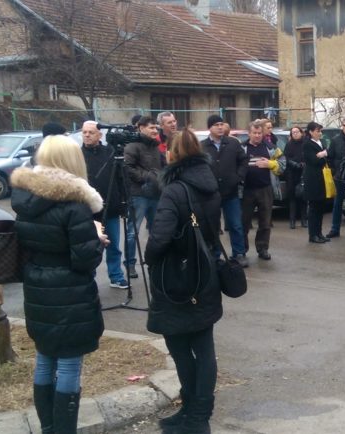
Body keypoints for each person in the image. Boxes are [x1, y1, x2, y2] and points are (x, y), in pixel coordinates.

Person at [11, 135, 107, 434]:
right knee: (67, 364)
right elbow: (84, 259)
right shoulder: (74, 205)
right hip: (70, 291)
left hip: (38, 289)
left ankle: (49, 428)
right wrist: (97, 238)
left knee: (44, 358)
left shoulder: (24, 200)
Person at [144, 130, 223, 433]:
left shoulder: (175, 190)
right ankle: (195, 412)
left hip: (178, 278)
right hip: (206, 272)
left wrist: (150, 259)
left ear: (174, 154)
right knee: (203, 346)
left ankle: (196, 416)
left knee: (179, 345)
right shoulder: (209, 183)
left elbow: (160, 238)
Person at [80, 120, 129, 289]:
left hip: (111, 207)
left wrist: (124, 202)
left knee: (113, 244)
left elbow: (120, 178)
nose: (87, 135)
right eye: (84, 132)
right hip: (87, 210)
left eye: (91, 132)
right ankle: (89, 278)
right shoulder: (77, 155)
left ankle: (116, 275)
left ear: (100, 135)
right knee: (89, 246)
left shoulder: (110, 152)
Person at [201, 114, 248, 266]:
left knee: (235, 224)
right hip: (211, 194)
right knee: (212, 226)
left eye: (221, 124)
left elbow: (244, 160)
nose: (220, 127)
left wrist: (238, 177)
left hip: (231, 191)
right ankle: (215, 255)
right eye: (216, 125)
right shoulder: (202, 147)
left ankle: (239, 253)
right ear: (210, 128)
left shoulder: (233, 144)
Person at [124, 116, 165, 279]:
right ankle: (130, 264)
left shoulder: (156, 147)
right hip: (139, 195)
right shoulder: (132, 146)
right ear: (140, 128)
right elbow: (127, 167)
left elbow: (162, 167)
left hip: (156, 194)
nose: (155, 130)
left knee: (157, 230)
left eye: (156, 128)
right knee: (132, 232)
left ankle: (153, 259)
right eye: (151, 128)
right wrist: (148, 177)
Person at [240, 120, 281, 260]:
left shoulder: (271, 147)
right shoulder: (241, 148)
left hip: (265, 189)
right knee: (243, 223)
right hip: (246, 191)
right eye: (254, 133)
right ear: (249, 133)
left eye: (259, 133)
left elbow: (283, 163)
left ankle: (262, 248)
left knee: (265, 222)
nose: (257, 136)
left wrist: (270, 164)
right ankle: (242, 250)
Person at [303, 121, 331, 243]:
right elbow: (313, 161)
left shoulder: (322, 142)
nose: (319, 133)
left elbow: (326, 159)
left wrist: (322, 155)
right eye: (317, 131)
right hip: (312, 178)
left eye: (320, 131)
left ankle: (319, 233)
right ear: (310, 132)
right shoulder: (307, 144)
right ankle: (312, 234)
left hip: (322, 177)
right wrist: (322, 156)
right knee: (314, 208)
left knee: (320, 207)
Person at [326, 117, 345, 238]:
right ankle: (335, 228)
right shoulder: (335, 140)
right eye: (344, 125)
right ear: (342, 126)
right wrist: (335, 171)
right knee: (338, 203)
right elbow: (330, 157)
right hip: (339, 176)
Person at [284, 126, 307, 229]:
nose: (295, 134)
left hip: (303, 174)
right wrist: (294, 164)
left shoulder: (306, 143)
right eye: (293, 133)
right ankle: (292, 221)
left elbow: (309, 156)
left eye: (297, 132)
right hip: (292, 174)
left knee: (303, 198)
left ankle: (304, 220)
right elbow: (286, 158)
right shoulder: (289, 145)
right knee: (292, 198)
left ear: (301, 133)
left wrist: (303, 164)